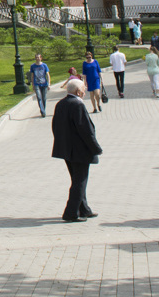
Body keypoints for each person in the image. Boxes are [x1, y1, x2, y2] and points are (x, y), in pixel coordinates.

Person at [51, 79, 102, 222]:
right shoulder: (77, 105)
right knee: (80, 182)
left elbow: (55, 126)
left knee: (76, 179)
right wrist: (96, 148)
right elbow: (85, 130)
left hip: (67, 150)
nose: (85, 92)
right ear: (78, 92)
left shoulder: (60, 104)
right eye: (83, 89)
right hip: (80, 150)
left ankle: (84, 209)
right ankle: (70, 212)